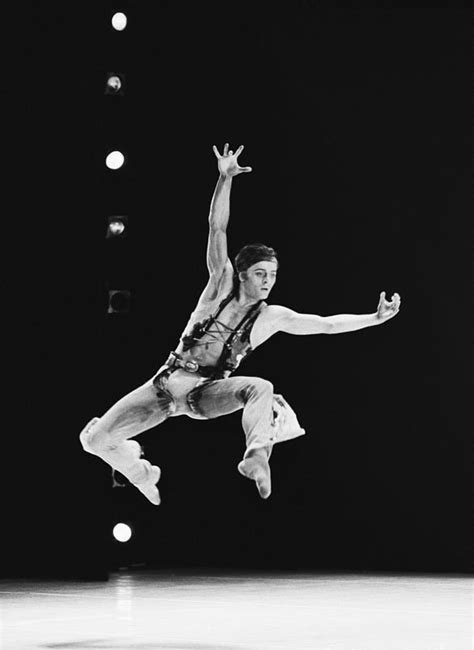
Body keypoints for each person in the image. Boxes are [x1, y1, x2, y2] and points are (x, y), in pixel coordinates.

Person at [80, 142, 401, 504]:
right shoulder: (219, 287)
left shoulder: (270, 316)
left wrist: (374, 318)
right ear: (243, 274)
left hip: (205, 394)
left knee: (260, 387)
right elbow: (217, 228)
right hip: (165, 385)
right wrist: (224, 178)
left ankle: (256, 457)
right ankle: (142, 473)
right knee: (92, 441)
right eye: (261, 273)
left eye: (274, 275)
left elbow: (325, 324)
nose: (268, 281)